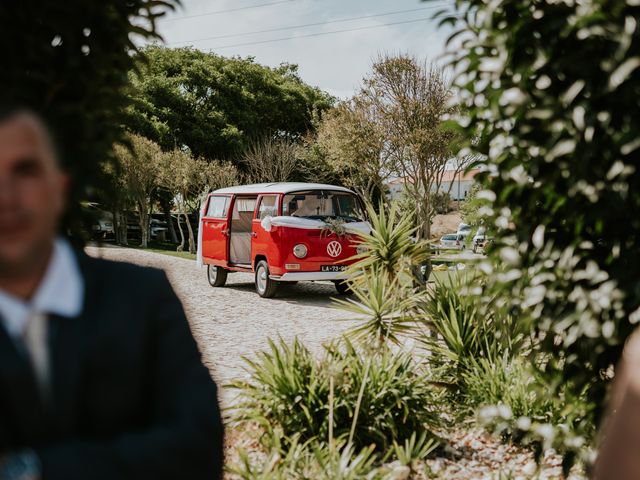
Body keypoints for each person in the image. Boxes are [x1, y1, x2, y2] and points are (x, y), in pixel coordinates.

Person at [0, 108, 224, 480]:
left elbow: (198, 445)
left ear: (61, 188)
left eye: (25, 170)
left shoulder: (144, 297)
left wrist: (30, 470)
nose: (6, 197)